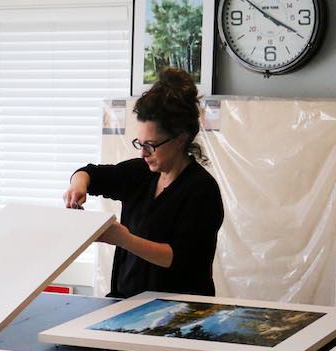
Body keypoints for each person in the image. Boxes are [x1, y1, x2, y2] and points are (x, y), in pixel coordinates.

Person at [63, 68, 223, 298]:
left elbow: (178, 258)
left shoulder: (201, 190)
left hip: (178, 313)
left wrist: (123, 238)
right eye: (140, 143)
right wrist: (78, 185)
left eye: (151, 145)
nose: (143, 153)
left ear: (180, 139)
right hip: (125, 302)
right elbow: (89, 174)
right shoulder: (141, 173)